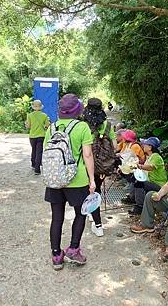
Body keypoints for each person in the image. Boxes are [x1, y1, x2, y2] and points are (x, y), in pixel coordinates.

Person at [44, 93, 96, 270]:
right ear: (78, 110)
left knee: (56, 217)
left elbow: (47, 154)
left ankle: (57, 255)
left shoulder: (52, 127)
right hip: (77, 179)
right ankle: (74, 249)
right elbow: (87, 155)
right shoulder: (82, 127)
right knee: (81, 214)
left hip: (56, 179)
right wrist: (92, 180)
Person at [82, 97, 116, 237]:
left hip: (85, 165)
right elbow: (114, 146)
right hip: (102, 165)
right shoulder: (107, 124)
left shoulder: (82, 125)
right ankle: (94, 217)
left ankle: (98, 225)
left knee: (89, 192)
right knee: (96, 191)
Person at [127, 137, 168, 215]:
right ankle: (132, 198)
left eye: (145, 144)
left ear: (150, 147)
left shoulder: (156, 157)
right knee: (134, 178)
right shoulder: (150, 157)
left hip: (159, 185)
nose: (143, 145)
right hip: (151, 182)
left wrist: (139, 166)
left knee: (140, 183)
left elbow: (150, 167)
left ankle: (140, 207)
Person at [25, 99, 50, 175]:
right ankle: (37, 169)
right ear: (40, 107)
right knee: (39, 152)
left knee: (34, 150)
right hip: (41, 135)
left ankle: (33, 164)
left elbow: (28, 126)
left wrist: (26, 124)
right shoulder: (44, 115)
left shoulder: (29, 115)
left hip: (32, 136)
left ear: (33, 107)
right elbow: (47, 125)